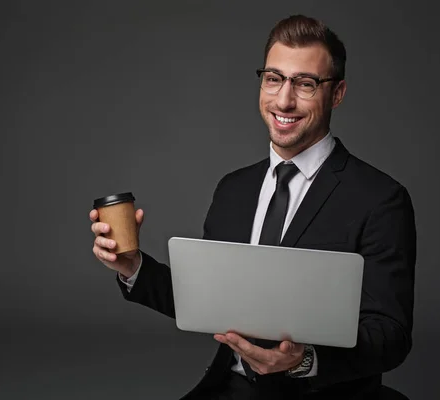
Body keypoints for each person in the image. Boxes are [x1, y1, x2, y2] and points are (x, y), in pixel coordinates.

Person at [89, 15, 416, 400]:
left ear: (338, 93)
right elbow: (208, 301)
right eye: (274, 78)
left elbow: (390, 335)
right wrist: (133, 268)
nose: (284, 100)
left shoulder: (382, 199)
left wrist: (304, 360)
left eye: (305, 84)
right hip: (231, 389)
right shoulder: (233, 190)